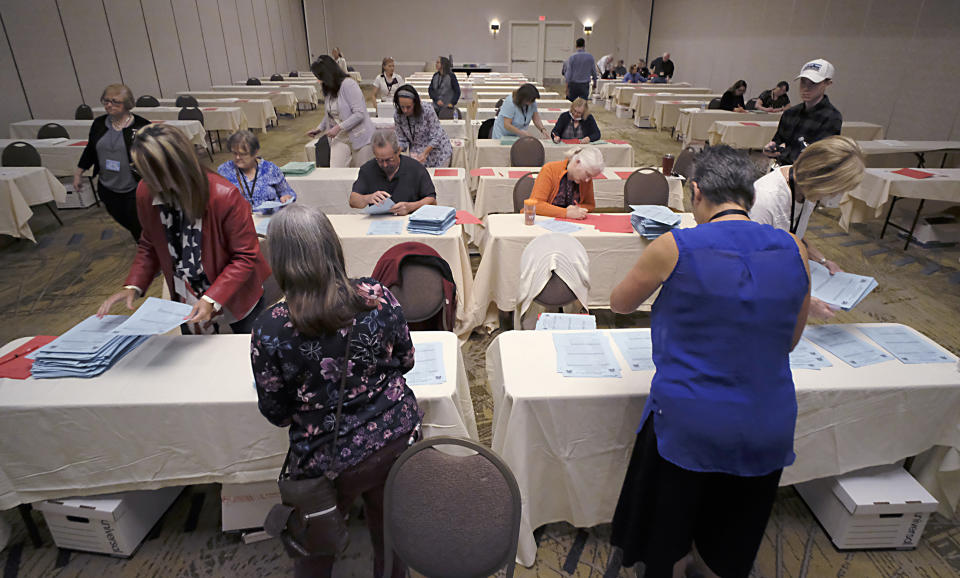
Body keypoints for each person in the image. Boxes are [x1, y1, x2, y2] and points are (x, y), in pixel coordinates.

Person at [609, 145, 810, 578]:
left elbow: (620, 303)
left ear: (696, 191)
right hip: (766, 420)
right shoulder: (795, 247)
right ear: (749, 197)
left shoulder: (675, 245)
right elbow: (790, 341)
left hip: (688, 422)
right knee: (731, 543)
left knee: (667, 538)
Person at [251, 204, 420, 578]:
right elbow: (406, 359)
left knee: (316, 547)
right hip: (395, 436)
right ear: (332, 245)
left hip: (326, 458)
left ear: (279, 260)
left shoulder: (270, 328)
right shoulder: (375, 295)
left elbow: (277, 414)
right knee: (390, 532)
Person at [97, 124, 271, 335]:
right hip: (186, 295)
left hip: (234, 297)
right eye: (141, 172)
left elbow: (244, 256)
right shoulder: (146, 191)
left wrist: (210, 298)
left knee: (240, 355)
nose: (149, 182)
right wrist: (133, 285)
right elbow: (150, 243)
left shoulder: (224, 196)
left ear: (178, 167)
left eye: (155, 174)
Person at [751, 136, 865, 319]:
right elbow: (749, 269)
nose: (837, 195)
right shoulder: (766, 200)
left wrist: (822, 261)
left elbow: (793, 233)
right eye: (836, 189)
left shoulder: (806, 188)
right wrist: (802, 303)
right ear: (821, 178)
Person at [73, 83, 152, 241]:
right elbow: (90, 150)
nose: (109, 105)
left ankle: (149, 251)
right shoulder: (99, 124)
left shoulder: (141, 126)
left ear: (128, 104)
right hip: (107, 187)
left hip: (134, 187)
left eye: (115, 101)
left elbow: (153, 157)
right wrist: (79, 173)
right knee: (124, 220)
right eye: (106, 101)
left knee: (138, 225)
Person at [764, 59, 842, 164]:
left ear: (827, 83)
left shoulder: (832, 117)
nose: (806, 88)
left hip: (806, 176)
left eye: (813, 83)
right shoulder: (790, 113)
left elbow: (815, 157)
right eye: (803, 82)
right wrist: (772, 148)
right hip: (781, 171)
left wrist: (783, 151)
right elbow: (778, 141)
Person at [349, 130, 437, 216]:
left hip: (409, 222)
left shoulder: (416, 169)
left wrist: (410, 207)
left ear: (398, 151)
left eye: (389, 160)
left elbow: (432, 201)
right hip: (377, 223)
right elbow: (353, 201)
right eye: (379, 160)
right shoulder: (367, 169)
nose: (385, 165)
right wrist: (367, 198)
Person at [308, 55, 375, 168]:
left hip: (360, 135)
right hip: (340, 136)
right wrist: (320, 128)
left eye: (320, 77)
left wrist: (338, 128)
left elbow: (359, 114)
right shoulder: (328, 88)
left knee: (361, 172)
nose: (319, 80)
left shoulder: (348, 85)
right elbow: (330, 113)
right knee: (335, 169)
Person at [217, 130, 296, 209]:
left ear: (255, 152)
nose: (237, 157)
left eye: (243, 154)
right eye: (234, 153)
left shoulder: (270, 169)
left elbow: (287, 191)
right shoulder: (224, 171)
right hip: (239, 218)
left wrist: (286, 196)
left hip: (270, 217)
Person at [526, 147, 605, 219]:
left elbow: (590, 205)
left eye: (591, 177)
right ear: (577, 162)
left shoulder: (585, 179)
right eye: (587, 174)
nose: (587, 180)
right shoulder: (550, 169)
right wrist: (566, 212)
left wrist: (576, 210)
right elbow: (536, 204)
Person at [393, 85, 453, 167]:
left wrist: (425, 153)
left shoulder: (427, 110)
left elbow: (437, 135)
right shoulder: (398, 115)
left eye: (408, 107)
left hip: (438, 151)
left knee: (437, 178)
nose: (405, 110)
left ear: (415, 103)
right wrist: (396, 152)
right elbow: (402, 139)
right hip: (417, 153)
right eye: (402, 106)